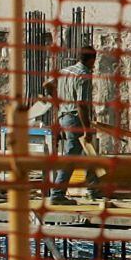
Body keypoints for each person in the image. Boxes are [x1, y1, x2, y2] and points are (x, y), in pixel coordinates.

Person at [46, 44, 102, 205]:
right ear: (92, 59)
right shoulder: (84, 76)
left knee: (88, 153)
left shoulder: (65, 71)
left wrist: (59, 103)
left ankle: (93, 189)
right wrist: (87, 129)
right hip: (75, 119)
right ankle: (57, 194)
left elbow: (47, 85)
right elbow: (82, 104)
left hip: (64, 116)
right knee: (72, 156)